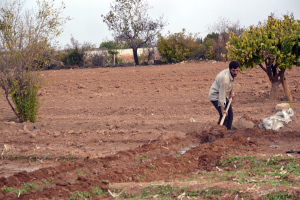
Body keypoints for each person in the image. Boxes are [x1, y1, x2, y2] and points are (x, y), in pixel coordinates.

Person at [208, 61, 240, 130]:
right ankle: (217, 132)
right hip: (215, 96)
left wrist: (230, 93)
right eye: (233, 70)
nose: (235, 72)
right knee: (224, 116)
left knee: (230, 114)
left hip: (223, 93)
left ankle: (228, 131)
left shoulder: (232, 74)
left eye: (237, 70)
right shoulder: (225, 80)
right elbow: (221, 96)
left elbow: (231, 83)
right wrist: (222, 109)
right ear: (229, 69)